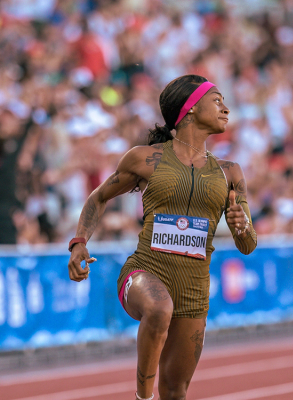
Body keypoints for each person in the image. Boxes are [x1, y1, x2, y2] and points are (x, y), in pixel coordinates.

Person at [67, 74, 257, 400]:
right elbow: (98, 197)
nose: (226, 109)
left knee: (176, 390)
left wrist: (241, 225)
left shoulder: (230, 172)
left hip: (195, 291)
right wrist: (79, 242)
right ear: (191, 108)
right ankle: (143, 397)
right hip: (145, 272)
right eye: (217, 101)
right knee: (158, 308)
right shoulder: (146, 158)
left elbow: (248, 245)